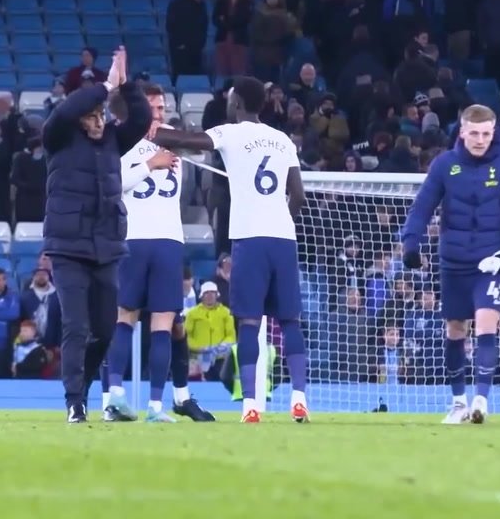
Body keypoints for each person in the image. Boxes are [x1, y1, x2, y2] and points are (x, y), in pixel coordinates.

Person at [150, 76, 309, 423]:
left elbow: (187, 141)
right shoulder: (282, 139)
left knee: (249, 323)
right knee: (290, 321)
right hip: (283, 237)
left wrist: (150, 130)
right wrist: (281, 217)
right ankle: (299, 398)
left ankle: (251, 404)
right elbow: (297, 195)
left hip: (249, 239)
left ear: (236, 103)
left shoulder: (229, 133)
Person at [400, 104, 500, 426]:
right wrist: (410, 243)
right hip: (453, 261)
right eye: (474, 133)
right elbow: (422, 207)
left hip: (491, 262)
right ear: (462, 132)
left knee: (486, 324)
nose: (480, 140)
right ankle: (458, 402)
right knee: (455, 329)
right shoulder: (444, 165)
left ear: (494, 133)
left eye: (486, 133)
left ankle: (481, 400)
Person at [42, 47, 149, 423]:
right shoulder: (57, 137)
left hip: (106, 246)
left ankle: (83, 390)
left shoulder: (112, 143)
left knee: (105, 331)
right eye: (92, 116)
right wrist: (105, 84)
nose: (99, 121)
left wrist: (126, 85)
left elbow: (141, 117)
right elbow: (66, 109)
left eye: (101, 115)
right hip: (68, 248)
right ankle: (73, 402)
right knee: (76, 325)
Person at [103, 83, 214, 423]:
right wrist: (152, 162)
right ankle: (115, 398)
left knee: (164, 324)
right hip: (134, 240)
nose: (160, 115)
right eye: (153, 109)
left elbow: (200, 145)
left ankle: (155, 406)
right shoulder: (126, 146)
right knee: (125, 319)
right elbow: (115, 184)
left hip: (168, 241)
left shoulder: (171, 144)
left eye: (163, 109)